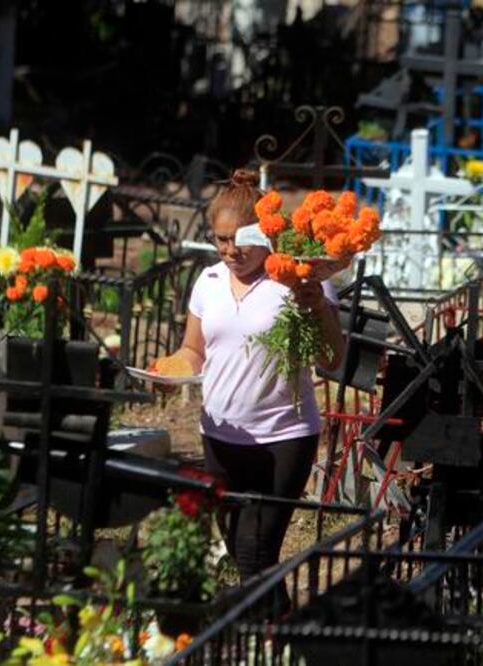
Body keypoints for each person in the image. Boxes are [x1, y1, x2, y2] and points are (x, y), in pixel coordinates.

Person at [154, 169, 345, 601]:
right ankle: (276, 636)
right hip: (220, 435)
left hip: (284, 436)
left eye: (239, 239)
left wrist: (317, 308)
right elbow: (193, 351)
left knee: (254, 551)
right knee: (246, 559)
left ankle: (259, 637)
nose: (229, 250)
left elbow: (332, 358)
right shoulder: (209, 282)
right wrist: (167, 372)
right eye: (220, 240)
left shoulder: (298, 279)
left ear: (265, 234)